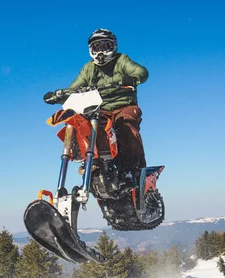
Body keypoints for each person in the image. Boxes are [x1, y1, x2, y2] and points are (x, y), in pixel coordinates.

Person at [44, 28, 148, 188]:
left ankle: (130, 171)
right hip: (101, 109)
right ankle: (92, 162)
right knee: (80, 123)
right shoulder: (88, 69)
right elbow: (74, 88)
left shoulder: (122, 60)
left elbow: (141, 71)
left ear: (113, 47)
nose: (101, 52)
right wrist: (59, 96)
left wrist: (133, 77)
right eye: (96, 47)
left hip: (124, 106)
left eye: (105, 46)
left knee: (125, 126)